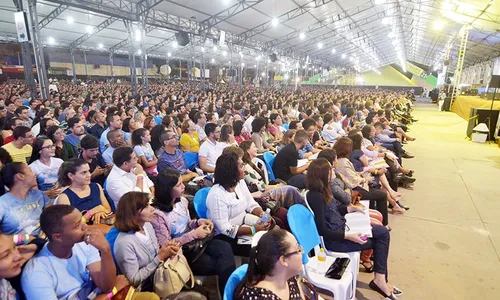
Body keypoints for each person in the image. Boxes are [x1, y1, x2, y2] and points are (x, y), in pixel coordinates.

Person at [305, 158, 401, 299]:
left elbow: (333, 211)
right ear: (322, 174)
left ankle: (381, 280)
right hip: (335, 241)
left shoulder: (324, 189)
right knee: (381, 239)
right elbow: (322, 230)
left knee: (382, 232)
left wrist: (350, 209)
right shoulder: (315, 196)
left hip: (342, 229)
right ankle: (380, 281)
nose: (333, 170)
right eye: (330, 169)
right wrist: (349, 236)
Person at [150, 169, 236, 296]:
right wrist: (194, 234)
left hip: (197, 241)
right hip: (182, 252)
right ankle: (227, 294)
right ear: (167, 189)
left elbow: (188, 223)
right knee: (218, 264)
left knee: (225, 248)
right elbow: (166, 246)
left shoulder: (181, 202)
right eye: (179, 185)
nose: (183, 186)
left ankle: (229, 294)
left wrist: (200, 222)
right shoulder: (158, 216)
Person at [21, 205, 119, 299]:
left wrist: (105, 250)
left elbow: (106, 286)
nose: (85, 226)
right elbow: (110, 290)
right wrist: (108, 295)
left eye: (82, 221)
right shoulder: (36, 274)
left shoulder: (84, 244)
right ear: (58, 237)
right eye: (77, 225)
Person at [206, 153, 272, 256]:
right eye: (241, 166)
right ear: (231, 171)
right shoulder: (217, 195)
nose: (245, 169)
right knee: (266, 246)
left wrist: (262, 215)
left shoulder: (239, 182)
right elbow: (225, 229)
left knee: (273, 226)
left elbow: (250, 203)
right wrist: (253, 229)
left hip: (244, 223)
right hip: (226, 237)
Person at [113, 192, 181, 288]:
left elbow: (156, 253)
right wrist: (160, 257)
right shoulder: (124, 243)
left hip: (160, 274)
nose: (152, 209)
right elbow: (134, 280)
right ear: (133, 212)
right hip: (145, 287)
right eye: (146, 207)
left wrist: (166, 249)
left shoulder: (147, 225)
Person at [333, 137, 390, 227]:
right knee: (381, 195)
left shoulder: (342, 160)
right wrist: (365, 179)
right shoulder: (343, 162)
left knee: (375, 189)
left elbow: (351, 175)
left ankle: (376, 219)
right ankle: (384, 224)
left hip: (351, 189)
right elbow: (352, 181)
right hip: (352, 192)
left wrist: (362, 175)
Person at [234, 229, 304, 300]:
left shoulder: (290, 277)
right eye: (298, 249)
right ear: (283, 260)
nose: (302, 252)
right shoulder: (258, 297)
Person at [239, 141, 305, 208]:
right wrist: (276, 186)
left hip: (267, 189)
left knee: (292, 190)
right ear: (247, 150)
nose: (257, 149)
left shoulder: (252, 164)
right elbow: (260, 187)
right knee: (291, 190)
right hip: (263, 194)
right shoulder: (247, 168)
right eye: (254, 147)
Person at [0, 162, 50, 237]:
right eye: (30, 170)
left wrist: (47, 230)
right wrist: (26, 239)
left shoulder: (39, 195)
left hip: (45, 242)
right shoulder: (2, 203)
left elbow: (53, 218)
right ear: (20, 176)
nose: (34, 174)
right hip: (18, 247)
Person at [56, 159, 112, 224]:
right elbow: (71, 225)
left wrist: (101, 212)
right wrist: (91, 212)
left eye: (89, 171)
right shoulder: (64, 197)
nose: (89, 175)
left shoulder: (96, 186)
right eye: (84, 173)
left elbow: (108, 210)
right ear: (71, 176)